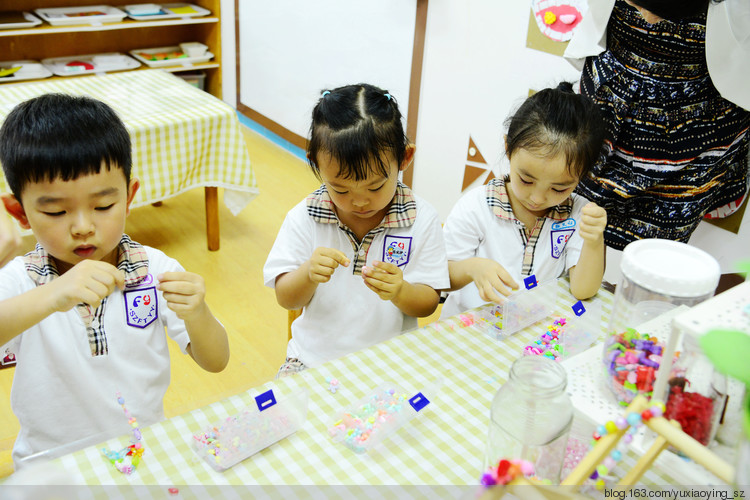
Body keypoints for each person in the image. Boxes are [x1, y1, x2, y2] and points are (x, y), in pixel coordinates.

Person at [0, 94, 229, 466]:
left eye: (103, 206)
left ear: (129, 196)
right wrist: (54, 294)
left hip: (143, 454)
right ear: (20, 213)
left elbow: (217, 361)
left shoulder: (154, 268)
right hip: (50, 466)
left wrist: (198, 312)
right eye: (56, 211)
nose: (83, 227)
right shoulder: (19, 281)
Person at [263, 83, 449, 376]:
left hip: (392, 363)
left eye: (375, 186)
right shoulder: (305, 216)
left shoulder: (421, 219)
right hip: (312, 361)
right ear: (315, 162)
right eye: (340, 189)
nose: (360, 201)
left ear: (405, 158)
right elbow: (286, 298)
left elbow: (427, 305)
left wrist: (401, 290)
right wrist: (307, 273)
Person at [564, 0, 750, 250]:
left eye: (663, 11)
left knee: (656, 254)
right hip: (606, 105)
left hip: (695, 130)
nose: (648, 19)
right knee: (575, 227)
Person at [441, 83, 607, 319]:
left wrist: (594, 240)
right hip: (470, 327)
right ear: (508, 148)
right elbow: (440, 278)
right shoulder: (477, 207)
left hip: (531, 330)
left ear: (583, 175)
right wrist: (472, 268)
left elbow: (583, 290)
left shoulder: (578, 213)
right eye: (526, 180)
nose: (537, 199)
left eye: (559, 188)